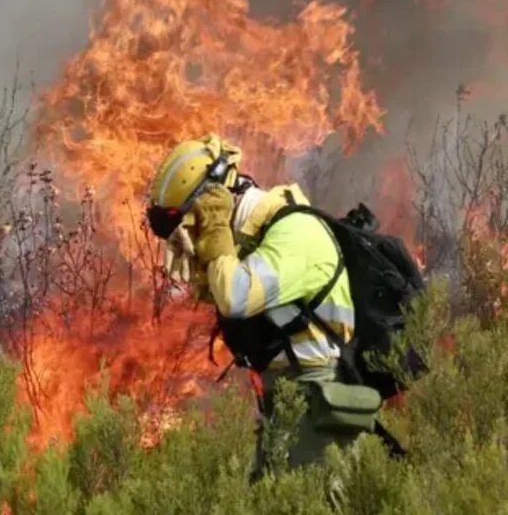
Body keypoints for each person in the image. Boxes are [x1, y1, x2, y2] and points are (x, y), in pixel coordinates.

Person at [145, 134, 382, 483]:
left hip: (317, 400)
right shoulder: (259, 240)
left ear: (215, 202)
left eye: (189, 222)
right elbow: (219, 294)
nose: (191, 236)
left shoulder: (296, 232)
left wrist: (213, 230)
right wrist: (199, 258)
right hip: (283, 400)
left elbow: (236, 297)